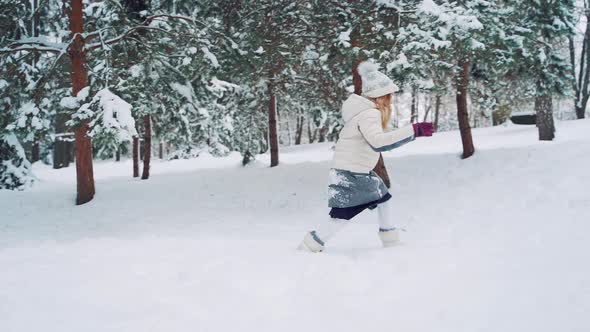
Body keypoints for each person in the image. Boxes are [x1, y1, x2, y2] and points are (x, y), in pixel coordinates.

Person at [298, 61, 434, 253]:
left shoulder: (362, 113)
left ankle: (389, 238)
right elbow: (378, 142)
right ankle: (311, 245)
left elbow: (380, 142)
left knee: (383, 197)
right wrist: (414, 130)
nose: (390, 101)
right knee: (342, 216)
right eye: (388, 96)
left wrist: (413, 133)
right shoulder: (370, 114)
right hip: (353, 174)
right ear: (380, 97)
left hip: (351, 171)